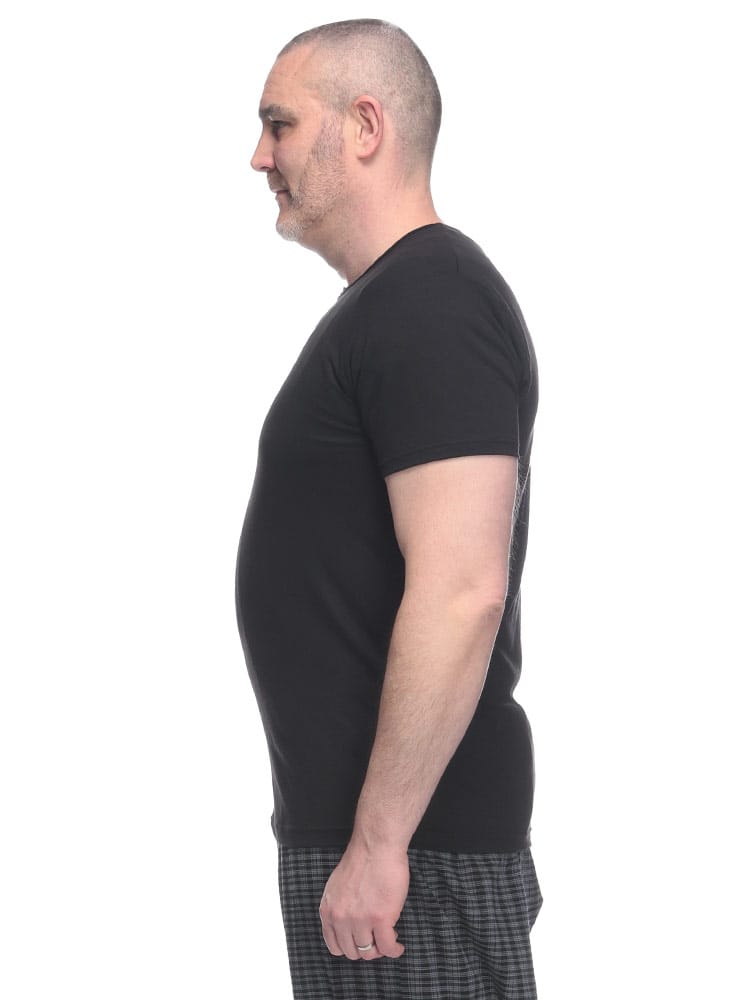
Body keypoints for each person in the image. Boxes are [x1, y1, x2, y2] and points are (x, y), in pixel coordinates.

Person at [235, 18, 542, 1000]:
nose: (259, 157)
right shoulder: (395, 305)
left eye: (280, 124)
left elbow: (462, 589)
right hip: (388, 853)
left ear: (366, 126)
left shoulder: (434, 302)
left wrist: (379, 842)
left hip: (414, 861)